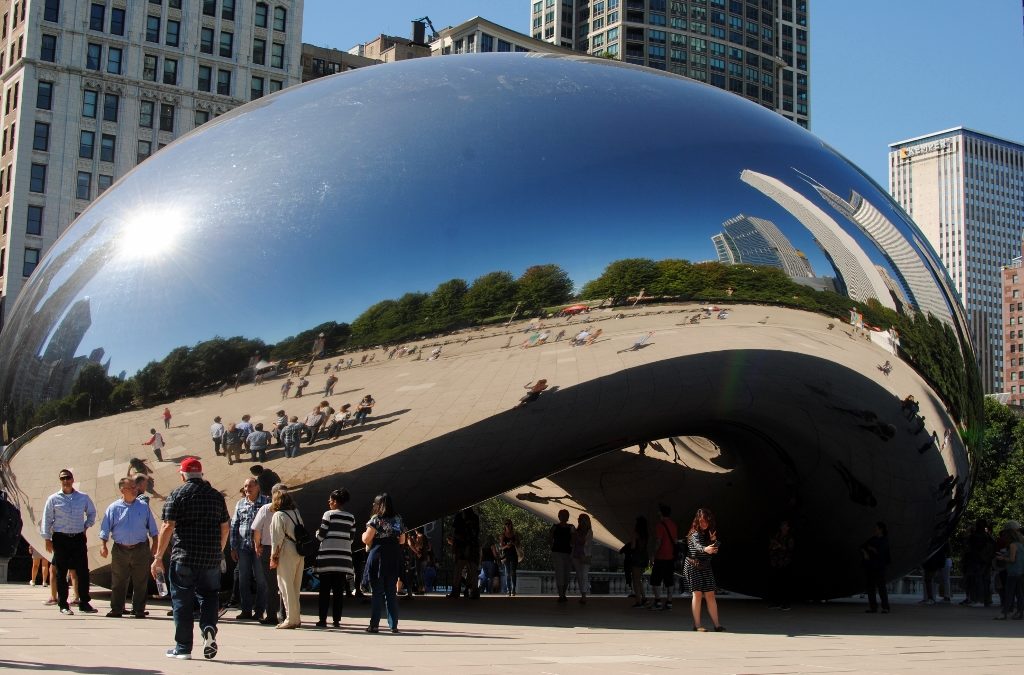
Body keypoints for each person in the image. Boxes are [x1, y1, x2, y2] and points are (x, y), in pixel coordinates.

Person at [151, 458, 230, 660]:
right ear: (201, 474)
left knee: (182, 601)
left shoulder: (177, 494)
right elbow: (225, 527)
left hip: (184, 557)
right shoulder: (216, 496)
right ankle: (209, 628)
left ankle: (183, 648)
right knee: (210, 595)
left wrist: (158, 557)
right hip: (210, 558)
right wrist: (218, 550)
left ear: (182, 474)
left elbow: (168, 526)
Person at [98, 476, 159, 618]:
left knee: (141, 581)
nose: (134, 489)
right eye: (131, 487)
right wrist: (103, 546)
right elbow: (105, 528)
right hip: (120, 549)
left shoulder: (143, 507)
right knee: (118, 580)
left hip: (140, 548)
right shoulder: (114, 508)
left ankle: (138, 609)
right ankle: (117, 609)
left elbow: (153, 528)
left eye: (135, 487)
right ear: (122, 490)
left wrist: (155, 544)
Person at [42, 469, 98, 615]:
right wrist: (47, 538)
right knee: (61, 572)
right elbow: (47, 519)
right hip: (61, 538)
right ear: (60, 481)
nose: (65, 481)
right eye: (63, 479)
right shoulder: (53, 499)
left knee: (83, 571)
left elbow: (92, 512)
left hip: (78, 537)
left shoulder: (83, 497)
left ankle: (84, 602)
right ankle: (63, 604)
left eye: (68, 478)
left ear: (73, 480)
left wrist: (86, 526)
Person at [362, 493, 406, 633]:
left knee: (377, 593)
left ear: (378, 505)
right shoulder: (398, 519)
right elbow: (402, 541)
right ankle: (393, 625)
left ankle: (374, 625)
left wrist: (363, 535)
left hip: (379, 556)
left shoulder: (376, 519)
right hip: (393, 557)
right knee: (391, 593)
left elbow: (366, 538)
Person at [230, 478, 270, 622]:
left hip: (259, 547)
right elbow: (234, 525)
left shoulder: (266, 502)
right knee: (243, 579)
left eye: (250, 486)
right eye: (245, 486)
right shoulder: (240, 503)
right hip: (243, 547)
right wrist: (233, 547)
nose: (247, 488)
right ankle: (246, 610)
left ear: (258, 487)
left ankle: (259, 611)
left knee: (261, 580)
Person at [315, 488, 356, 628]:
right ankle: (336, 620)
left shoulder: (328, 514)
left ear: (335, 501)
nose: (329, 502)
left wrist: (317, 534)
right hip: (343, 559)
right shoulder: (351, 517)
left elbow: (321, 535)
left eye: (331, 500)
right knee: (339, 591)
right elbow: (351, 538)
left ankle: (322, 620)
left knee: (324, 591)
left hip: (327, 558)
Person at [269, 487, 305, 629]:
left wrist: (273, 557)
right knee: (296, 586)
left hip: (286, 550)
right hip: (299, 550)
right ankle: (296, 618)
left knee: (285, 585)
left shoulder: (279, 515)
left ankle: (290, 619)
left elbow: (276, 539)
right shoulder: (296, 513)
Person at [684, 507, 724, 631]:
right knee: (697, 593)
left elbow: (712, 549)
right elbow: (697, 546)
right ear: (697, 520)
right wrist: (705, 549)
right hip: (693, 565)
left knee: (710, 594)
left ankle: (717, 625)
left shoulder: (708, 533)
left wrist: (713, 543)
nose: (704, 523)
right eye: (701, 521)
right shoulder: (694, 533)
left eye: (706, 521)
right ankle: (697, 625)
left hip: (705, 566)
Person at [250, 483, 284, 626]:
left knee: (271, 585)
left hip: (269, 549)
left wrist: (257, 545)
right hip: (285, 549)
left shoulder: (266, 509)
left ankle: (271, 615)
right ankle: (286, 614)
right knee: (285, 584)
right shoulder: (292, 510)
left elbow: (256, 529)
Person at [448, 506, 480, 599]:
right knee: (472, 570)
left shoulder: (459, 516)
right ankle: (474, 592)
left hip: (462, 546)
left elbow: (456, 532)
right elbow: (476, 533)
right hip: (471, 546)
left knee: (459, 570)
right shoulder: (474, 517)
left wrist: (455, 542)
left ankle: (456, 591)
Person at [650, 504, 678, 611]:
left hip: (661, 556)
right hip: (670, 557)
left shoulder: (660, 525)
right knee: (669, 580)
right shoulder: (674, 525)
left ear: (661, 513)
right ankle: (669, 602)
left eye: (659, 511)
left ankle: (657, 602)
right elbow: (675, 541)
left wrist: (653, 554)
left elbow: (658, 541)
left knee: (655, 580)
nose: (657, 513)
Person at [995, 520, 1024, 620]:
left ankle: (1004, 613)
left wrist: (1002, 558)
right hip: (1020, 572)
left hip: (1013, 572)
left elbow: (1012, 559)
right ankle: (1020, 612)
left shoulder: (1013, 545)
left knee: (1009, 593)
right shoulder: (1021, 544)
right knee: (1019, 594)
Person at [861, 521, 891, 614]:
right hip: (871, 566)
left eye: (876, 528)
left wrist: (872, 549)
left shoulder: (884, 540)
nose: (875, 530)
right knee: (870, 587)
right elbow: (862, 546)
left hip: (879, 567)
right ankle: (873, 607)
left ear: (881, 530)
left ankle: (885, 607)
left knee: (881, 587)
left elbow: (881, 553)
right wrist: (865, 552)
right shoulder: (872, 539)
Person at [768, 520, 795, 610]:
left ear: (788, 528)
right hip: (776, 563)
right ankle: (776, 602)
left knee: (785, 584)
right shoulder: (777, 536)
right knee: (776, 583)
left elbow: (790, 549)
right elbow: (771, 547)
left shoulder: (789, 537)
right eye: (782, 526)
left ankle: (786, 604)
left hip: (785, 563)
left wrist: (779, 546)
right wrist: (773, 547)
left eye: (785, 526)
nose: (783, 528)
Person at [550, 509, 574, 603]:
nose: (563, 517)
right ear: (559, 516)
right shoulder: (555, 527)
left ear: (567, 517)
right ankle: (561, 595)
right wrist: (552, 546)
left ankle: (563, 593)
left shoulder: (571, 527)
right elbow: (550, 537)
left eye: (565, 515)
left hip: (568, 553)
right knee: (559, 573)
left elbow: (574, 538)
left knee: (566, 574)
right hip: (557, 552)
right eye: (562, 515)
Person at [571, 513, 593, 604]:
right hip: (576, 555)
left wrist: (576, 534)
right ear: (579, 521)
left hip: (585, 556)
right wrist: (573, 534)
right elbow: (572, 542)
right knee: (580, 576)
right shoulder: (575, 530)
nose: (583, 522)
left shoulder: (589, 532)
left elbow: (585, 542)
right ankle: (582, 593)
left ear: (588, 522)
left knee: (584, 575)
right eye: (581, 520)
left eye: (585, 520)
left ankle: (584, 595)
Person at [629, 516, 650, 608]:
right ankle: (644, 598)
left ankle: (639, 601)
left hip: (636, 557)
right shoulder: (646, 534)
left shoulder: (635, 533)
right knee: (640, 579)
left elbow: (633, 546)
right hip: (644, 557)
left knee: (635, 581)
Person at [498, 520, 521, 596]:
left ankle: (513, 589)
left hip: (514, 555)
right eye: (506, 524)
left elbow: (518, 544)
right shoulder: (502, 535)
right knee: (507, 573)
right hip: (506, 556)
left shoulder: (515, 534)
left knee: (513, 573)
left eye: (509, 524)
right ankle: (509, 590)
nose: (507, 525)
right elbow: (500, 548)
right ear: (504, 525)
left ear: (511, 525)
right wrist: (506, 546)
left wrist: (513, 543)